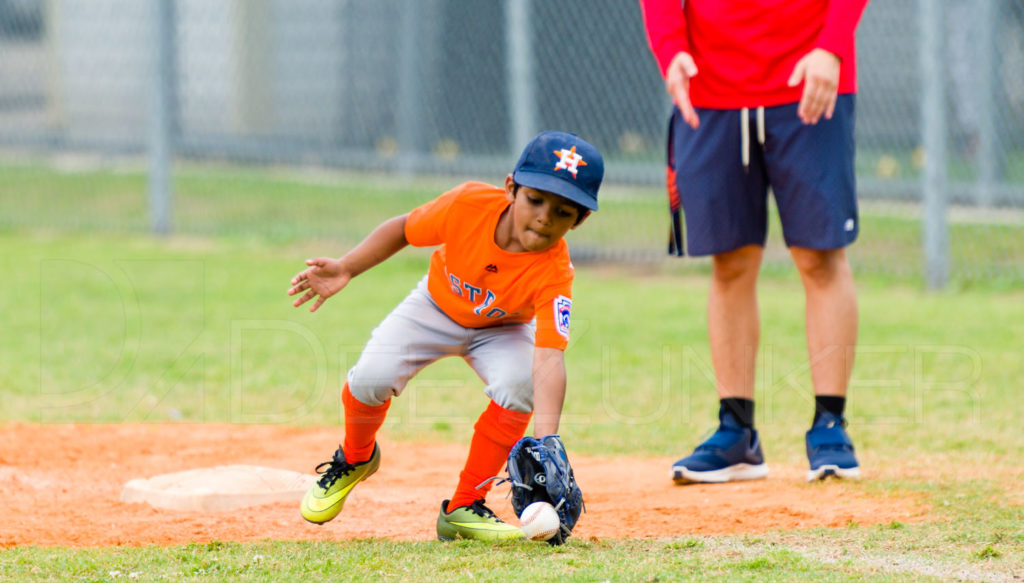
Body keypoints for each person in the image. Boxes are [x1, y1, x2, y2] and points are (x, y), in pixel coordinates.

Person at [288, 131, 603, 539]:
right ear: (511, 188)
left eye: (564, 211)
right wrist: (348, 266)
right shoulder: (467, 205)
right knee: (371, 377)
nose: (545, 216)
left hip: (502, 328)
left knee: (521, 381)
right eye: (536, 199)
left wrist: (547, 442)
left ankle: (463, 507)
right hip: (434, 306)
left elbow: (548, 358)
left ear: (580, 220)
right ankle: (355, 458)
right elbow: (403, 229)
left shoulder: (555, 272)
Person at [639, 0, 870, 483]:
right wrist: (670, 49)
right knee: (730, 261)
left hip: (810, 78)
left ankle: (830, 424)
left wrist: (832, 46)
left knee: (820, 258)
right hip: (712, 88)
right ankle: (737, 431)